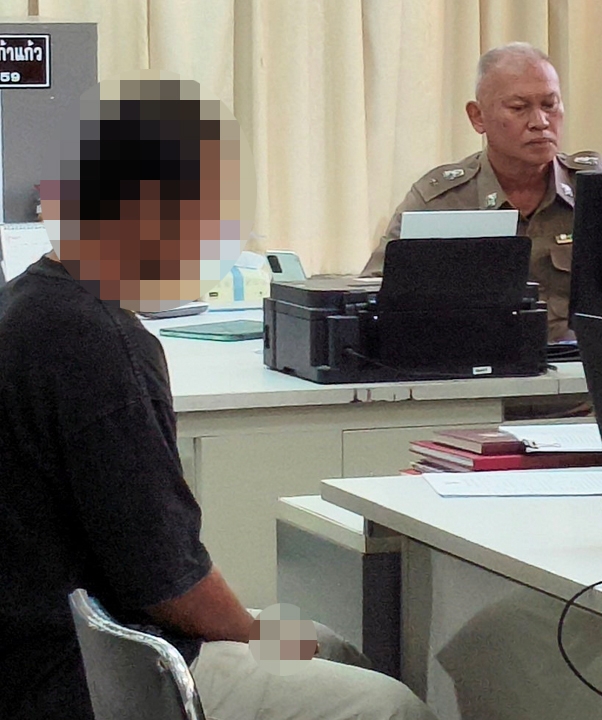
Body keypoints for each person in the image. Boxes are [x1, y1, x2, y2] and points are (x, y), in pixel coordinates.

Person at [0, 76, 429, 720]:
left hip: (45, 645)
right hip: (100, 671)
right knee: (387, 702)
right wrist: (270, 639)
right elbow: (172, 588)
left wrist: (291, 642)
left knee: (330, 646)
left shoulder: (28, 305)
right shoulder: (105, 344)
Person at [361, 42, 602, 343]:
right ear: (478, 117)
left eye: (549, 105)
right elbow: (373, 295)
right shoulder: (443, 201)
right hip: (476, 363)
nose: (540, 122)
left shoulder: (595, 190)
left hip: (580, 365)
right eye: (519, 108)